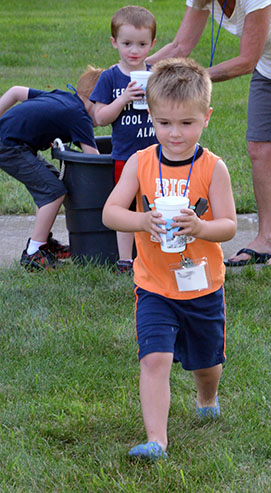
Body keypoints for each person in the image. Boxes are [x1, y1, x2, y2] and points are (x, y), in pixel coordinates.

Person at [102, 57, 237, 460]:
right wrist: (142, 220)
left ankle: (206, 396)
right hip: (154, 284)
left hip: (202, 284)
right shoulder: (142, 162)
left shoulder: (213, 169)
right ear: (151, 117)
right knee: (155, 358)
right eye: (164, 123)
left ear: (206, 118)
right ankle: (157, 440)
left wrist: (200, 227)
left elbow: (229, 225)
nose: (174, 134)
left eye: (186, 123)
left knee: (207, 361)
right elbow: (111, 213)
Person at [147, 0, 271, 268]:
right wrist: (135, 70)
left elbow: (246, 61)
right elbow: (180, 47)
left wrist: (195, 79)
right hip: (270, 64)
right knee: (258, 148)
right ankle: (266, 239)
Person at [0, 65, 103, 271]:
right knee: (53, 191)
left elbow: (15, 91)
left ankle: (43, 241)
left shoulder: (64, 97)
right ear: (95, 100)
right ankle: (33, 253)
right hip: (10, 147)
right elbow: (94, 159)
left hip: (13, 142)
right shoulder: (80, 116)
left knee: (53, 181)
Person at [90, 5, 158, 274]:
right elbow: (100, 117)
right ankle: (125, 260)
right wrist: (123, 99)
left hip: (157, 154)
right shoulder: (110, 77)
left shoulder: (156, 75)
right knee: (126, 206)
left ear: (152, 44)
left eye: (142, 44)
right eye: (127, 43)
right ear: (114, 42)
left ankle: (152, 258)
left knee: (153, 205)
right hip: (125, 155)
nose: (134, 50)